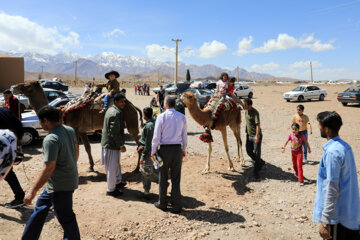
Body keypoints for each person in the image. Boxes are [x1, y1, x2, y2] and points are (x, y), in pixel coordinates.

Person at [22, 106, 80, 240]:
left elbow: (49, 168)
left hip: (61, 186)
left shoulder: (51, 139)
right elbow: (76, 152)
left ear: (45, 120)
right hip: (58, 182)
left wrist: (32, 191)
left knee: (66, 218)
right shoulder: (70, 130)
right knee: (40, 208)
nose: (41, 125)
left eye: (40, 122)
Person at [313, 111, 360, 240]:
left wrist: (325, 221)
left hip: (338, 220)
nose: (318, 127)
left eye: (320, 125)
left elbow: (332, 188)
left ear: (326, 129)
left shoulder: (332, 153)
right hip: (350, 214)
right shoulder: (344, 146)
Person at [152, 96, 187, 213]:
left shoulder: (161, 117)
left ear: (166, 104)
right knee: (176, 178)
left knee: (163, 177)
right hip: (177, 150)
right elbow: (184, 135)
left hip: (164, 150)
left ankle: (162, 203)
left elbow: (156, 136)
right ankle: (177, 205)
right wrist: (184, 149)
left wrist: (153, 151)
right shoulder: (182, 117)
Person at [101, 93, 127, 197]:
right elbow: (114, 132)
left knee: (115, 165)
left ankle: (117, 182)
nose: (124, 103)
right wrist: (121, 145)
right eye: (122, 101)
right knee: (112, 167)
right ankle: (111, 190)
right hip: (111, 145)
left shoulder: (111, 110)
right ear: (115, 101)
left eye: (124, 101)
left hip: (111, 144)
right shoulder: (115, 113)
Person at [0, 108, 25, 209]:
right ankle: (19, 196)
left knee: (7, 172)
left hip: (2, 145)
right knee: (8, 170)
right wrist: (19, 138)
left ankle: (19, 197)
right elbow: (18, 123)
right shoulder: (4, 111)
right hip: (10, 142)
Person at [137, 107, 158, 199]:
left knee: (146, 171)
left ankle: (161, 181)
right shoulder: (153, 122)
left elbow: (148, 143)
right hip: (149, 150)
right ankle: (146, 192)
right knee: (146, 171)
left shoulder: (149, 126)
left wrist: (143, 156)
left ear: (144, 115)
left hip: (148, 152)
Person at [244, 98, 265, 180]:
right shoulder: (246, 111)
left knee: (257, 153)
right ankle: (260, 162)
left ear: (250, 105)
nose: (244, 106)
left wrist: (257, 136)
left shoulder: (255, 113)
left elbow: (258, 125)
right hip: (248, 135)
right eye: (244, 104)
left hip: (256, 136)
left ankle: (256, 172)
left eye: (245, 105)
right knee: (248, 151)